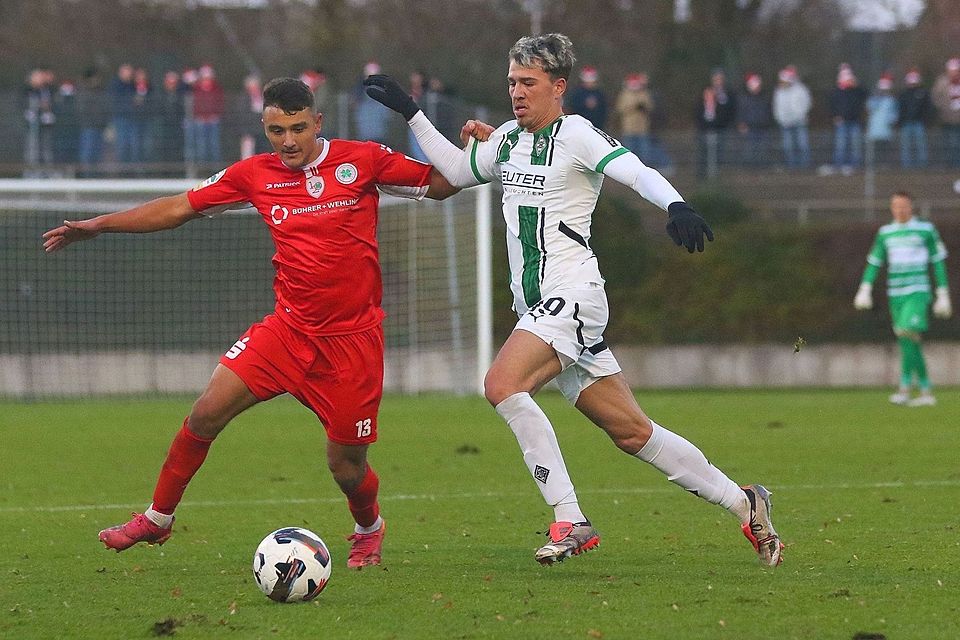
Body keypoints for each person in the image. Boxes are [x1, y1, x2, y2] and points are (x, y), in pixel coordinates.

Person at [364, 33, 783, 567]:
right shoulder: (508, 140)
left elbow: (635, 170)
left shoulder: (578, 134)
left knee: (501, 385)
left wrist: (676, 205)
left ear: (558, 87)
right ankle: (745, 502)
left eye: (528, 82)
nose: (517, 92)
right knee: (632, 432)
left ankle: (569, 518)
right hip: (538, 308)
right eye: (512, 82)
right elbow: (457, 170)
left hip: (573, 294)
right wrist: (413, 112)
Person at [42, 77, 459, 568]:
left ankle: (369, 527)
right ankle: (157, 518)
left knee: (346, 467)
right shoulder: (254, 174)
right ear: (264, 127)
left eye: (298, 128)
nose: (288, 141)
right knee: (205, 413)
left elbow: (444, 183)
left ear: (317, 122)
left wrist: (473, 146)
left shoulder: (362, 160)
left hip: (351, 345)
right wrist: (99, 224)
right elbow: (178, 207)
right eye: (277, 131)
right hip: (287, 332)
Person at [854, 191, 952, 406]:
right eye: (896, 206)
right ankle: (922, 391)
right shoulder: (886, 233)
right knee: (907, 339)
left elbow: (938, 261)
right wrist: (865, 288)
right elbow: (874, 262)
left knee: (907, 331)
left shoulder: (925, 230)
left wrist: (943, 293)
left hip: (917, 291)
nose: (900, 210)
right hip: (895, 293)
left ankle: (909, 388)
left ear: (911, 207)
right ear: (891, 208)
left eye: (904, 205)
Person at [827, 63, 867, 175]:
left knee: (855, 145)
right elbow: (831, 105)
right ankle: (839, 165)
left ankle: (855, 165)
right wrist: (835, 116)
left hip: (854, 121)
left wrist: (857, 85)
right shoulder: (836, 92)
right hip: (841, 122)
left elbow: (864, 94)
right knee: (841, 145)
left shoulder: (857, 91)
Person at [772, 65, 812, 169]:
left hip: (799, 121)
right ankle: (791, 166)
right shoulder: (778, 92)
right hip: (785, 122)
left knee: (802, 144)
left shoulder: (801, 89)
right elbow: (777, 106)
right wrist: (780, 118)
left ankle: (805, 166)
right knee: (788, 146)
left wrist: (801, 114)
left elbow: (807, 102)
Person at [614, 72, 654, 162]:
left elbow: (650, 107)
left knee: (644, 153)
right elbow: (620, 109)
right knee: (628, 152)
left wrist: (644, 107)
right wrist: (634, 106)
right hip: (628, 129)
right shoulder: (624, 95)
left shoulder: (644, 94)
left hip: (642, 129)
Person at [897, 67, 931, 169]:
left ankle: (922, 165)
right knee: (906, 145)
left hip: (919, 123)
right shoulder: (903, 94)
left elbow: (926, 108)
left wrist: (925, 120)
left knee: (921, 144)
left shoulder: (923, 93)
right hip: (906, 123)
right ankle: (906, 165)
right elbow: (900, 109)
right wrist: (900, 121)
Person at [735, 72, 771, 167]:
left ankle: (762, 167)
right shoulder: (743, 98)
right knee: (749, 149)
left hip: (763, 127)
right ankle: (749, 167)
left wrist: (767, 123)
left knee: (763, 150)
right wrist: (741, 124)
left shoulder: (765, 97)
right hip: (749, 128)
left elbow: (768, 111)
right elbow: (740, 112)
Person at [931, 57, 960, 168]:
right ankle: (950, 164)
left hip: (958, 119)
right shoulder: (942, 82)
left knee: (956, 142)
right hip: (946, 118)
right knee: (949, 142)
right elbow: (935, 97)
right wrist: (943, 107)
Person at [865, 73, 898, 168]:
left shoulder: (891, 101)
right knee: (875, 150)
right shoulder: (873, 100)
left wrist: (891, 121)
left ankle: (885, 164)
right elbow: (869, 108)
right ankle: (874, 165)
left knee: (885, 149)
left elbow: (894, 115)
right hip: (874, 130)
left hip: (886, 131)